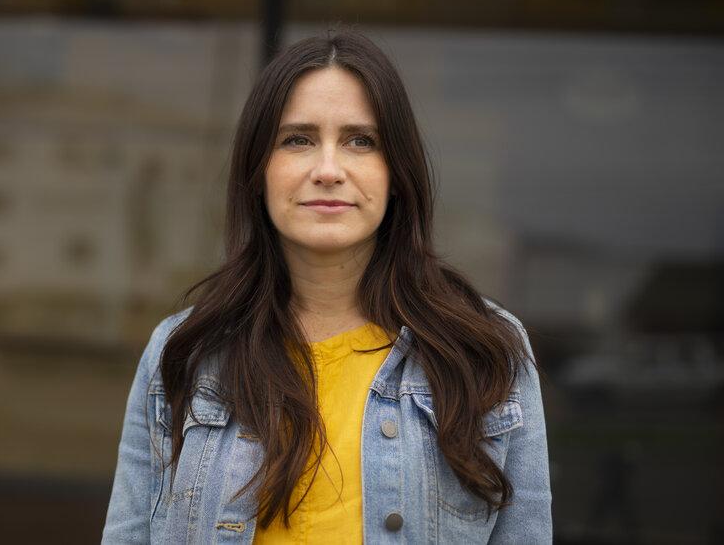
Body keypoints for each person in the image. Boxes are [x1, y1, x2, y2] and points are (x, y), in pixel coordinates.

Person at [103, 31, 552, 543]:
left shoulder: (483, 350)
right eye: (298, 139)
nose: (329, 170)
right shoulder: (188, 351)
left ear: (397, 172)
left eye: (361, 141)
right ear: (258, 169)